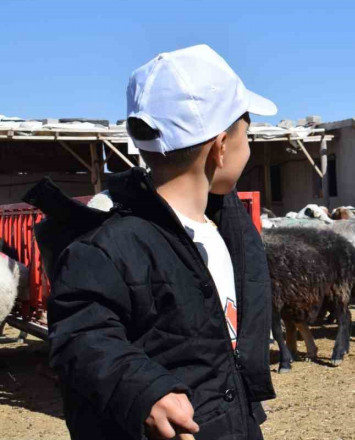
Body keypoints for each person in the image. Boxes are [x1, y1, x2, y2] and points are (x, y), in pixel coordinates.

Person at [44, 45, 276, 440]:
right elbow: (82, 336)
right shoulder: (108, 247)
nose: (249, 146)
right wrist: (144, 392)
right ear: (220, 148)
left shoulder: (225, 227)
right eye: (247, 133)